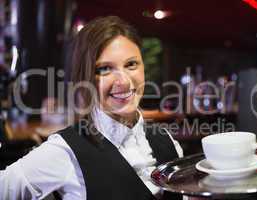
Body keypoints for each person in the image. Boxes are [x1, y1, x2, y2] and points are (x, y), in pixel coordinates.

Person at [0, 16, 184, 200]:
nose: (124, 82)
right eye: (104, 69)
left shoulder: (167, 140)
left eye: (131, 64)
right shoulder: (65, 151)